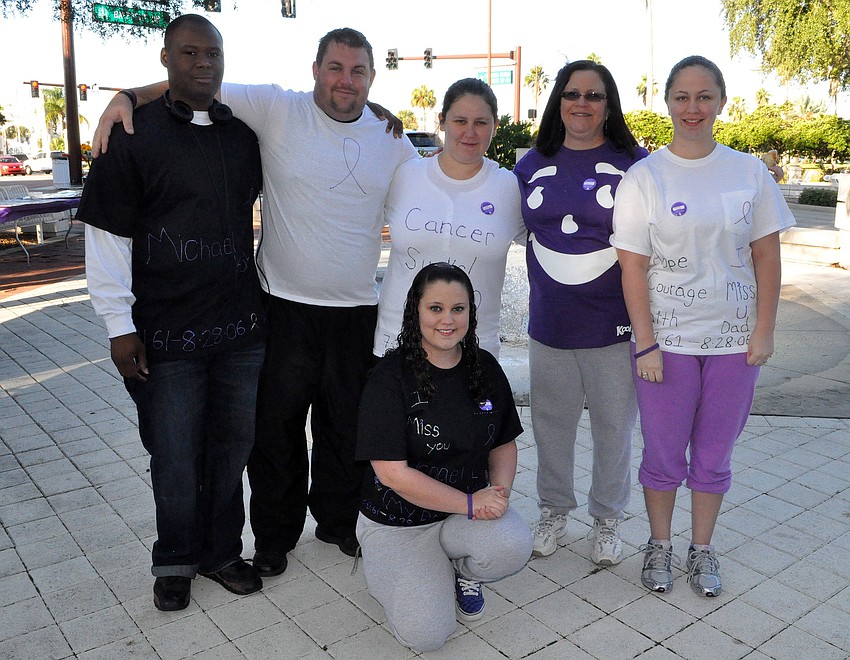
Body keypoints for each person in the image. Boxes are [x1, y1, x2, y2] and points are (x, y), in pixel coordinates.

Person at [92, 28, 419, 575]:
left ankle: (339, 522)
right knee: (275, 433)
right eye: (335, 67)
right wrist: (125, 97)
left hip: (358, 312)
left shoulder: (392, 139)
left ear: (371, 78)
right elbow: (196, 81)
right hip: (281, 307)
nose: (346, 80)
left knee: (345, 429)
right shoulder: (275, 107)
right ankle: (273, 537)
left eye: (358, 71)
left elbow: (430, 193)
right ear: (314, 69)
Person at [77, 15, 266, 611]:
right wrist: (117, 326)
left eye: (213, 53)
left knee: (232, 451)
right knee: (175, 453)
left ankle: (222, 553)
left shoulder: (243, 138)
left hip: (241, 331)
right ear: (165, 60)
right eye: (190, 53)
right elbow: (108, 236)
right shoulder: (132, 135)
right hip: (165, 334)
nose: (203, 63)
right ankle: (176, 560)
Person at [611, 55, 795, 597]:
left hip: (734, 345)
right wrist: (645, 342)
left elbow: (766, 256)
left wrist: (764, 330)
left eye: (704, 96)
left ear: (720, 101)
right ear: (667, 103)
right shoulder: (644, 177)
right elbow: (632, 266)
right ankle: (660, 544)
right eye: (683, 97)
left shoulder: (749, 172)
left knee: (714, 455)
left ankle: (702, 549)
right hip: (665, 343)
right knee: (664, 452)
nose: (693, 108)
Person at [356, 262, 533, 652]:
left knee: (512, 544)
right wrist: (472, 503)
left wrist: (498, 494)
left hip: (459, 516)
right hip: (397, 524)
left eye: (459, 308)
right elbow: (392, 475)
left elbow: (503, 442)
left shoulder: (484, 367)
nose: (447, 320)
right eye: (435, 308)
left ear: (472, 312)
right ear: (415, 311)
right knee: (427, 636)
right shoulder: (389, 378)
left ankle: (462, 572)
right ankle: (389, 566)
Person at [514, 61, 647, 564]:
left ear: (608, 104)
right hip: (549, 323)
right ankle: (554, 511)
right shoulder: (530, 164)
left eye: (594, 95)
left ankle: (608, 519)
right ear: (558, 101)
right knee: (551, 424)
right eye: (572, 94)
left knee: (615, 426)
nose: (582, 103)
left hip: (614, 325)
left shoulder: (636, 164)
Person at [375, 78, 524, 358]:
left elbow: (551, 242)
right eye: (460, 121)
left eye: (481, 122)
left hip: (474, 350)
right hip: (397, 345)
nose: (470, 132)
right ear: (442, 122)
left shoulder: (510, 189)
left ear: (495, 126)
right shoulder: (405, 176)